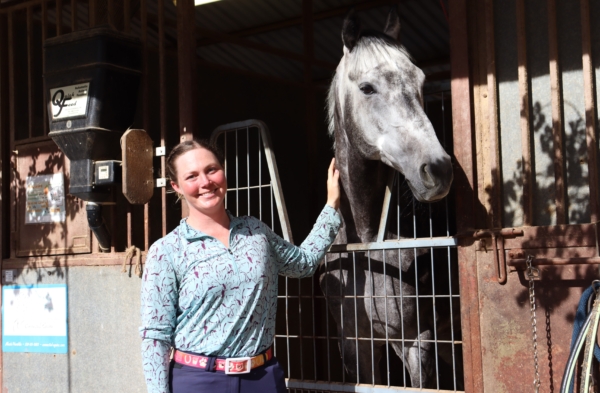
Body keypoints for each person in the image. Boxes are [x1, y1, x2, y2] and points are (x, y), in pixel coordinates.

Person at [139, 139, 341, 393]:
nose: (205, 182)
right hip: (199, 382)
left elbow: (303, 264)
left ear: (223, 171)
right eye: (192, 176)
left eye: (211, 169)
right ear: (176, 186)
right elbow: (155, 338)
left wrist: (331, 206)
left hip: (262, 378)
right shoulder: (167, 251)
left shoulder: (255, 231)